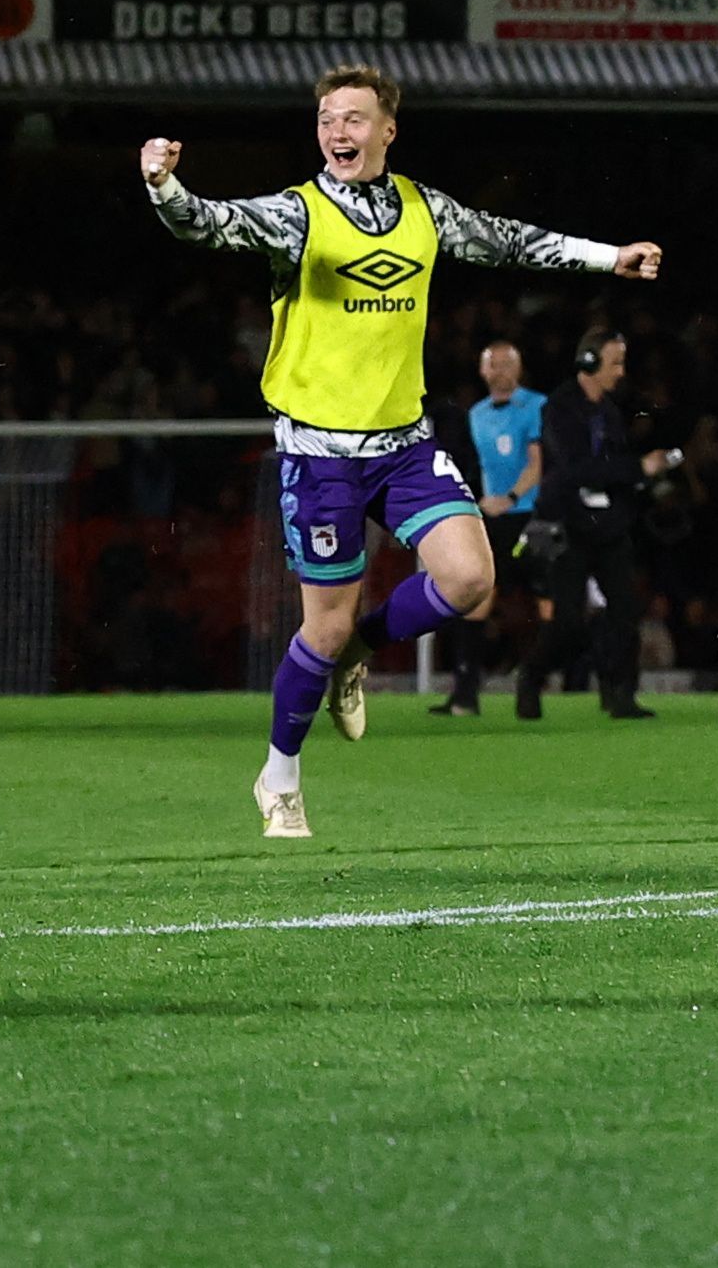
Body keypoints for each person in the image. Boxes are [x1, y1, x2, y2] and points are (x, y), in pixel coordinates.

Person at [144, 64, 661, 835]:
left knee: (470, 577)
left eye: (353, 118)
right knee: (320, 626)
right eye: (327, 118)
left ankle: (360, 648)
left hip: (403, 444)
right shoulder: (298, 214)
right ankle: (279, 773)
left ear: (387, 129)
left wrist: (607, 255)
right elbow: (208, 223)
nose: (337, 131)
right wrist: (163, 186)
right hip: (319, 453)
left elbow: (508, 240)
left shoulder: (424, 209)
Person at [520, 330, 681, 719]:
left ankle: (620, 693)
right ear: (589, 362)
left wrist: (645, 478)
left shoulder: (608, 411)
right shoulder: (559, 409)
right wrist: (638, 468)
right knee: (567, 622)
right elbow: (576, 468)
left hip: (607, 526)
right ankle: (531, 676)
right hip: (568, 525)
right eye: (615, 363)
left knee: (625, 608)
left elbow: (612, 468)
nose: (621, 372)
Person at [445, 341, 546, 717]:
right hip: (493, 517)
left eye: (507, 363)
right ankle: (465, 693)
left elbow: (538, 463)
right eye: (493, 364)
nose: (500, 370)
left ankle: (549, 683)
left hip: (531, 515)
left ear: (518, 368)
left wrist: (511, 496)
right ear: (482, 370)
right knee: (477, 597)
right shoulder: (476, 414)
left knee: (548, 602)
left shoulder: (537, 405)